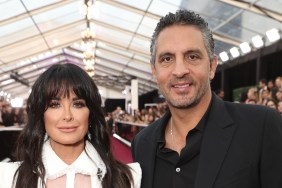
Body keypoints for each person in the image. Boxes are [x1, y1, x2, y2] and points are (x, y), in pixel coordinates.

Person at [131, 9, 282, 188]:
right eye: (167, 59)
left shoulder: (260, 126)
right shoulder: (142, 144)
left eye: (192, 56)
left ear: (211, 66)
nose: (179, 71)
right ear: (154, 72)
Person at [0, 63, 141, 188]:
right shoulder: (8, 177)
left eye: (77, 104)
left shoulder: (128, 178)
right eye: (55, 105)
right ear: (41, 115)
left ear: (90, 113)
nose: (67, 116)